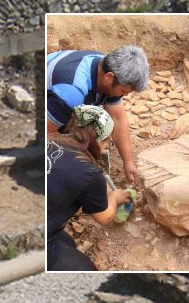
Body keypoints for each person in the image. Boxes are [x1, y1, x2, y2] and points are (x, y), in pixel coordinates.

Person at [46, 46, 150, 186]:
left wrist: (128, 162)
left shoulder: (105, 67)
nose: (124, 95)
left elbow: (118, 119)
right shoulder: (73, 90)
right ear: (109, 77)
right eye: (124, 91)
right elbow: (46, 134)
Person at [46, 105, 131, 271]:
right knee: (87, 270)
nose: (107, 147)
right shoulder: (90, 173)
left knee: (68, 243)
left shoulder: (49, 141)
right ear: (100, 140)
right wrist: (114, 197)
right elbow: (104, 218)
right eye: (108, 143)